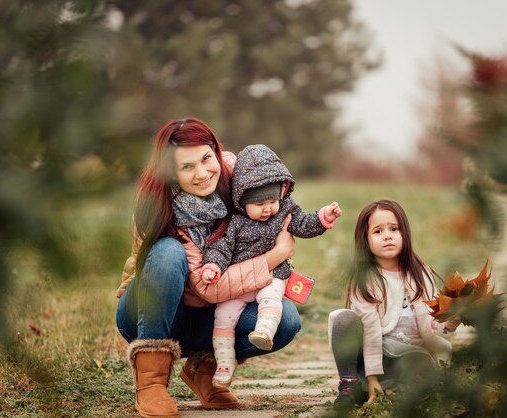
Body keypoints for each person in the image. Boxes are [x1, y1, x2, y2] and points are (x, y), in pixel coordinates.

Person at [115, 118, 301, 418]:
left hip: (209, 314)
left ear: (215, 150)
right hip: (152, 313)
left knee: (286, 319)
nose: (202, 174)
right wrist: (275, 256)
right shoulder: (157, 201)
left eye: (205, 158)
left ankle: (204, 369)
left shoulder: (241, 180)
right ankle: (150, 383)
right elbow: (207, 286)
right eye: (186, 167)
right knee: (167, 252)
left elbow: (274, 219)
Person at [200, 144, 342, 388]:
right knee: (223, 316)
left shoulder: (285, 210)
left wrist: (322, 218)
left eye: (272, 201)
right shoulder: (234, 222)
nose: (267, 209)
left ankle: (265, 330)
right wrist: (212, 265)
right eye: (259, 204)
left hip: (270, 276)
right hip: (238, 284)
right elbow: (220, 247)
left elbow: (303, 223)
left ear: (281, 193)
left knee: (271, 298)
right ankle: (224, 362)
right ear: (242, 201)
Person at [327, 199, 459, 410]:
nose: (387, 235)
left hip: (408, 354)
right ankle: (353, 385)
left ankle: (395, 389)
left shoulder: (421, 272)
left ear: (404, 233)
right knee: (343, 319)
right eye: (378, 232)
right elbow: (370, 330)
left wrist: (451, 321)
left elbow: (434, 320)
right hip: (373, 351)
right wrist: (372, 378)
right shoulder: (365, 279)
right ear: (365, 240)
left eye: (394, 229)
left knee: (422, 363)